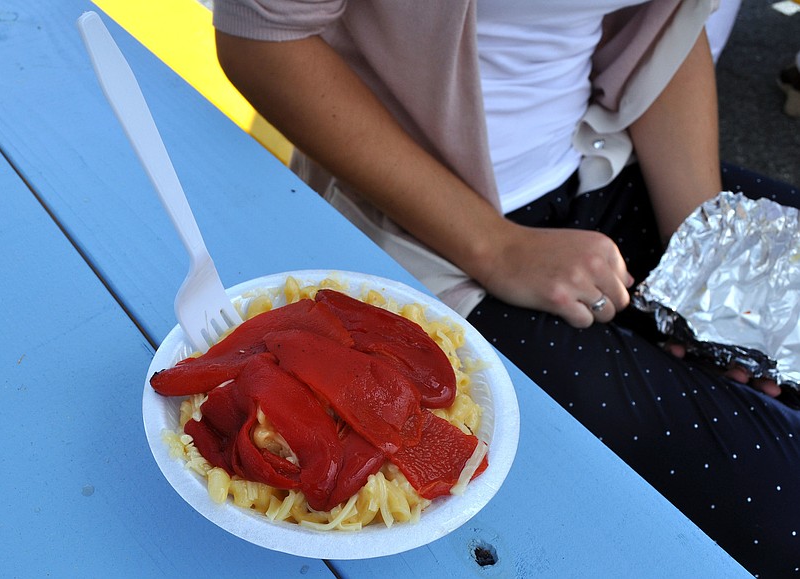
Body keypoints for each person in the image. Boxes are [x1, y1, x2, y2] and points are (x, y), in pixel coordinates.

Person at [210, 1, 800, 575]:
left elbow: (664, 27)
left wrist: (706, 270)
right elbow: (261, 34)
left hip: (608, 157)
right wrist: (499, 248)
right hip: (428, 231)